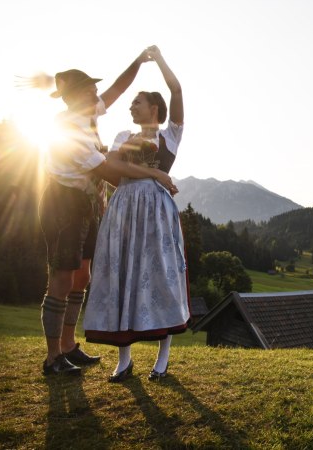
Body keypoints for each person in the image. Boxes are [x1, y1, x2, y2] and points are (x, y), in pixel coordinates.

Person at [39, 50, 177, 376]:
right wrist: (156, 177)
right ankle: (52, 356)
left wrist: (139, 61)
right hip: (64, 204)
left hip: (85, 205)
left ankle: (70, 345)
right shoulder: (70, 130)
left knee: (82, 275)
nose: (96, 93)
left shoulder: (88, 114)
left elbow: (116, 88)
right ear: (76, 97)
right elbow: (112, 174)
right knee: (61, 276)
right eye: (89, 89)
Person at [83, 45, 190, 382]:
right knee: (122, 273)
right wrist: (156, 174)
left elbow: (177, 89)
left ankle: (163, 356)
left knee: (160, 275)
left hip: (156, 211)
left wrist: (157, 60)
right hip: (124, 207)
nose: (130, 105)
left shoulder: (170, 134)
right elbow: (112, 166)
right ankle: (124, 358)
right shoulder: (122, 136)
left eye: (137, 102)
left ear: (153, 108)